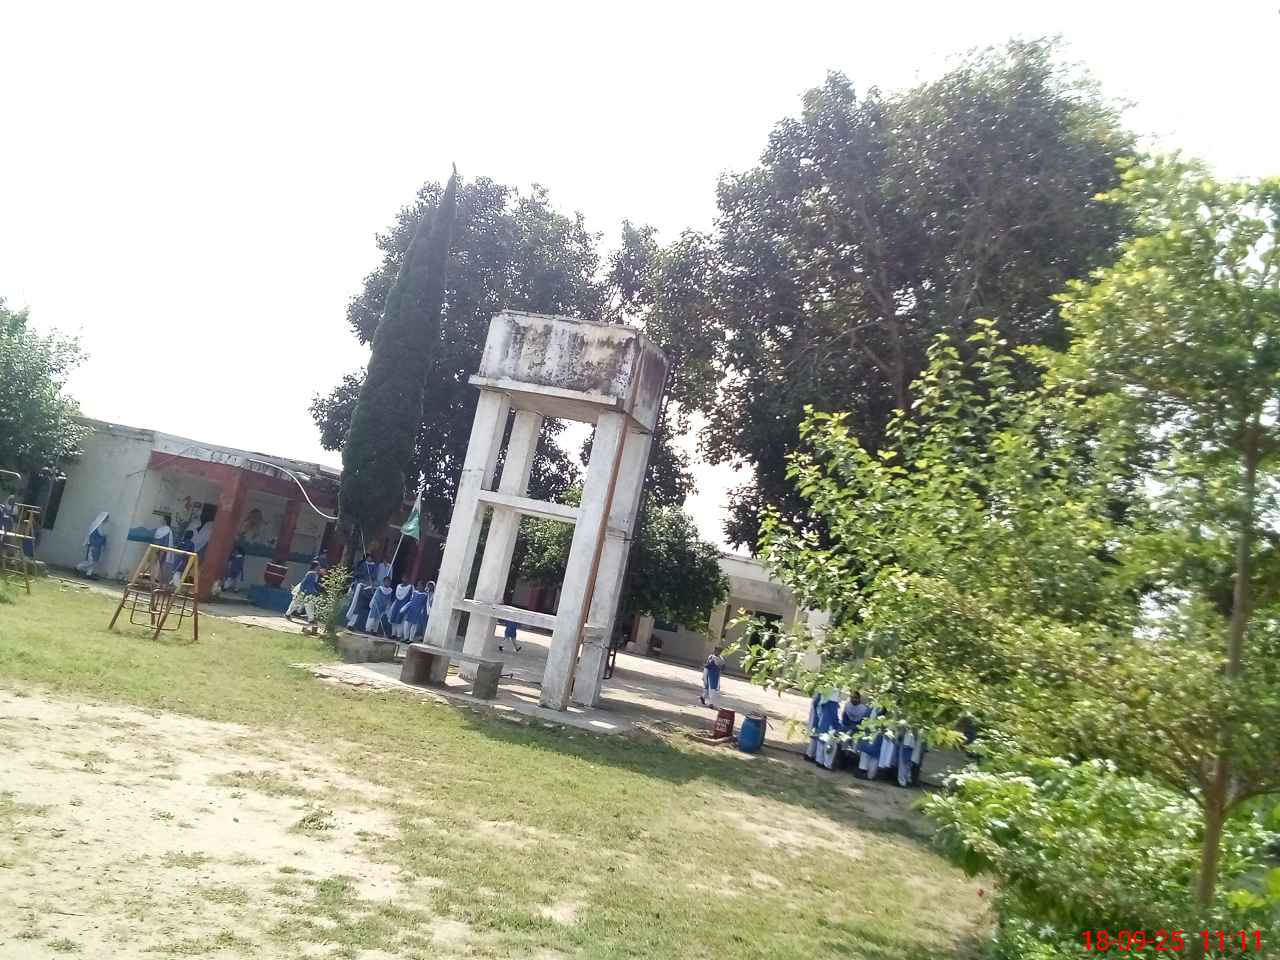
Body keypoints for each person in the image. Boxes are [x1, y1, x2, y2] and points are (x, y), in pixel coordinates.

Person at [75, 512, 110, 578]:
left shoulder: (101, 525)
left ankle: (89, 574)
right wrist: (103, 538)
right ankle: (77, 567)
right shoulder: (96, 525)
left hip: (98, 545)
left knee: (95, 561)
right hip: (93, 545)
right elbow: (93, 535)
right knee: (91, 561)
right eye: (106, 518)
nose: (107, 519)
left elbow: (102, 535)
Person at [150, 514, 174, 584]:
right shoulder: (161, 528)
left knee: (160, 563)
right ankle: (153, 577)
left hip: (162, 549)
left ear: (165, 521)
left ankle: (157, 578)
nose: (162, 521)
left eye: (163, 519)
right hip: (157, 547)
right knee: (155, 563)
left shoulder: (168, 530)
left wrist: (163, 550)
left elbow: (166, 542)